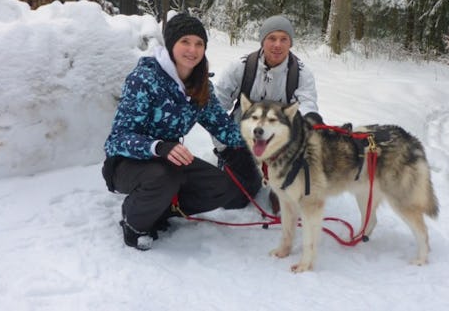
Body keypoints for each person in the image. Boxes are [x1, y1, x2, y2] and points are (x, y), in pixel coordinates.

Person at [101, 13, 249, 251]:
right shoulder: (144, 79)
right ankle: (135, 223)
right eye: (185, 42)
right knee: (163, 177)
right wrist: (158, 146)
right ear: (171, 45)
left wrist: (264, 144)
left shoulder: (200, 85)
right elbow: (118, 139)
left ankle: (163, 210)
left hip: (170, 160)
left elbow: (223, 127)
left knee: (223, 187)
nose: (193, 50)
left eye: (199, 43)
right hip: (127, 163)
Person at [214, 15, 320, 211]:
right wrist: (224, 146)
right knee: (233, 199)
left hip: (280, 143)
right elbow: (216, 107)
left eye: (284, 39)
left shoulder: (301, 74)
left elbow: (307, 106)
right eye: (272, 38)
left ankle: (280, 185)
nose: (277, 45)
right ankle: (242, 170)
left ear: (291, 43)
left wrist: (309, 124)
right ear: (263, 40)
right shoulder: (241, 67)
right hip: (242, 139)